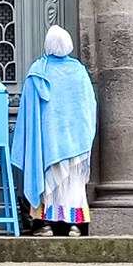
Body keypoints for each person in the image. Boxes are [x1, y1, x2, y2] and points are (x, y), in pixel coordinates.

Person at [8, 25, 97, 237]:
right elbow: (89, 106)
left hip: (48, 141)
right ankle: (74, 225)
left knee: (48, 184)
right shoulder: (79, 71)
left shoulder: (39, 70)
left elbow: (29, 110)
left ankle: (45, 224)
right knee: (73, 184)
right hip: (76, 140)